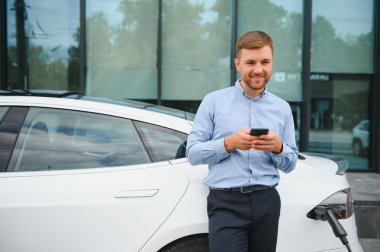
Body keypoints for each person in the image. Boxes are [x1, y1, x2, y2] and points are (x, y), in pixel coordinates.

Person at [186, 31, 298, 252]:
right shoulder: (213, 102)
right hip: (226, 203)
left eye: (265, 61)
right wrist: (228, 143)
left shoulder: (282, 108)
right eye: (250, 62)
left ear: (272, 62)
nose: (258, 69)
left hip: (267, 201)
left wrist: (279, 148)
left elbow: (291, 162)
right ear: (238, 64)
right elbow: (192, 153)